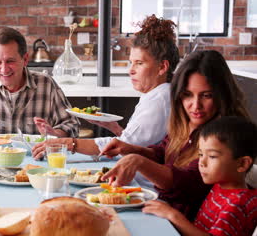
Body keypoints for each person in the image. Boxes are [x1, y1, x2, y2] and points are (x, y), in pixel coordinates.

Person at [99, 50, 251, 220]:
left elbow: (187, 183)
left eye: (206, 96)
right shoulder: (187, 122)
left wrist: (138, 161)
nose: (195, 105)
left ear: (222, 95)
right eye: (187, 95)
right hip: (163, 213)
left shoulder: (224, 134)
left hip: (184, 224)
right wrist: (131, 149)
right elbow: (163, 152)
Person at [32, 15, 179, 161]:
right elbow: (136, 144)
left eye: (139, 63)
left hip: (141, 180)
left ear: (162, 67)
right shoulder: (158, 94)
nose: (131, 70)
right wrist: (115, 128)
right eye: (131, 63)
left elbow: (123, 146)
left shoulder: (160, 99)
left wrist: (67, 143)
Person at [0, 27, 79, 139]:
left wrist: (53, 133)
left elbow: (72, 126)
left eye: (10, 61)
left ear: (25, 59)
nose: (3, 69)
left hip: (35, 162)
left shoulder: (46, 84)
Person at [143, 116, 257, 236]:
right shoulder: (220, 185)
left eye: (212, 156)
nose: (201, 163)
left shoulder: (238, 203)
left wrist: (173, 215)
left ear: (242, 163)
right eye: (200, 154)